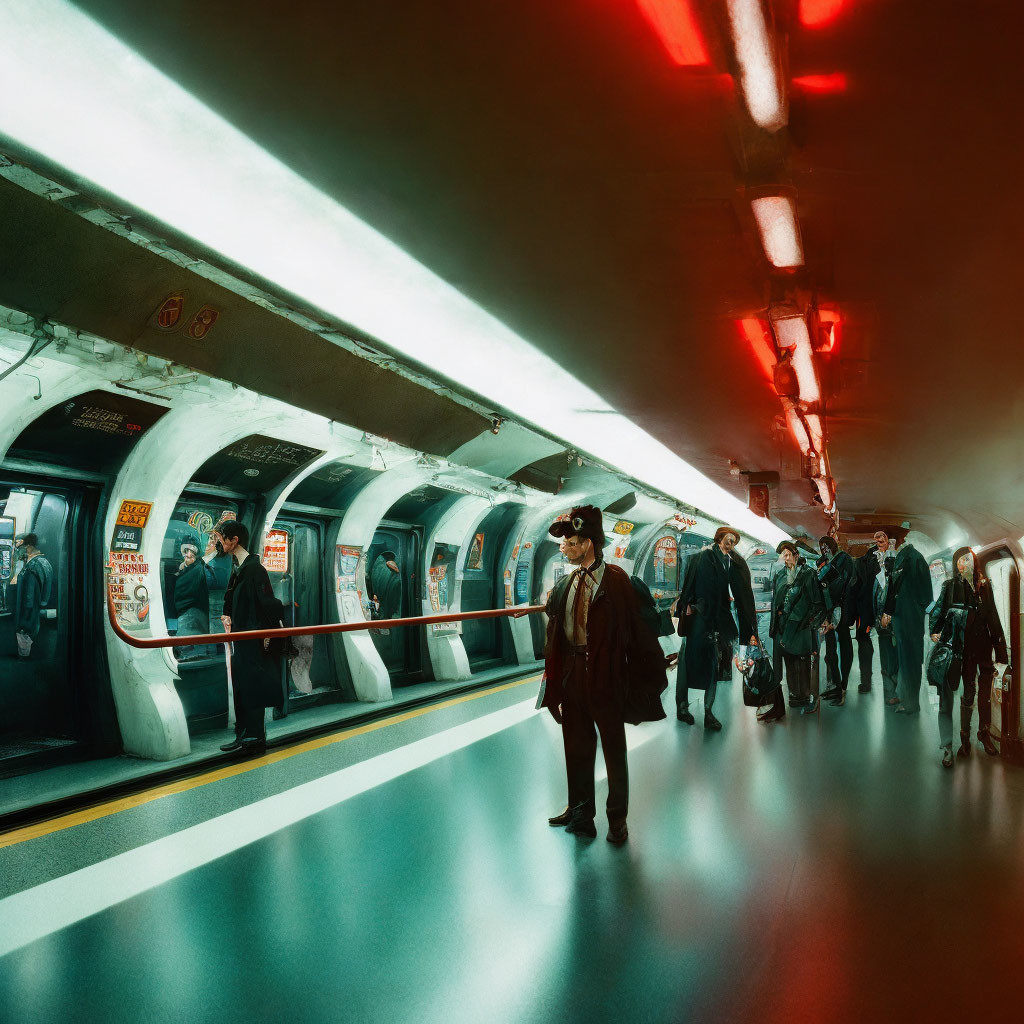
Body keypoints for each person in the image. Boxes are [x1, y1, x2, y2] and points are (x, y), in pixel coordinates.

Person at [538, 505, 667, 844]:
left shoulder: (618, 581)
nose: (563, 548)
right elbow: (557, 636)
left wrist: (644, 681)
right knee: (576, 745)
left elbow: (637, 634)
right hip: (572, 678)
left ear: (588, 543)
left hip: (606, 676)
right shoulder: (564, 585)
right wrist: (554, 683)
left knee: (613, 749)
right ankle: (581, 812)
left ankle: (617, 819)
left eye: (569, 542)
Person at [212, 521, 286, 755]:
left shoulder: (254, 569)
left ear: (234, 541)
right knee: (242, 686)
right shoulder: (239, 568)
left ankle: (254, 736)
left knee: (251, 687)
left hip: (254, 639)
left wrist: (267, 633)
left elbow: (269, 604)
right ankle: (243, 733)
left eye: (222, 538)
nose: (219, 543)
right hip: (242, 638)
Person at [674, 527, 757, 731]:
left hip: (714, 622)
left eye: (734, 543)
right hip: (697, 621)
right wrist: (688, 606)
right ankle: (682, 708)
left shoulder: (731, 562)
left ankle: (709, 712)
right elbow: (689, 586)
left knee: (712, 666)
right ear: (719, 539)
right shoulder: (702, 558)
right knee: (686, 664)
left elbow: (735, 592)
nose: (731, 545)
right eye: (729, 541)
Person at [930, 548, 1008, 766]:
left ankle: (984, 734)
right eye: (960, 561)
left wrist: (1000, 649)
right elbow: (938, 612)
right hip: (963, 649)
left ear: (974, 562)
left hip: (984, 648)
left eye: (968, 559)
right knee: (969, 693)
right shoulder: (950, 587)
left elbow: (993, 616)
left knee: (985, 694)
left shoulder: (985, 586)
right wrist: (934, 631)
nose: (965, 564)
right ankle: (965, 738)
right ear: (955, 565)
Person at [769, 541, 825, 714]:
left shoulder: (808, 575)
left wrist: (809, 622)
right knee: (789, 661)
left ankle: (806, 695)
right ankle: (794, 695)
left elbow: (816, 602)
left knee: (802, 661)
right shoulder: (779, 575)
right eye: (783, 556)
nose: (785, 559)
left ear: (796, 555)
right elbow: (775, 602)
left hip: (800, 626)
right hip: (783, 626)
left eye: (787, 555)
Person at [882, 534, 932, 715]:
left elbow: (897, 591)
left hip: (906, 619)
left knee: (908, 661)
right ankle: (906, 697)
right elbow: (926, 596)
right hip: (908, 619)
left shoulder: (908, 560)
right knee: (908, 660)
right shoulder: (913, 559)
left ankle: (911, 703)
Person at [816, 535, 856, 705]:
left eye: (826, 546)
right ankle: (836, 686)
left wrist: (843, 613)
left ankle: (843, 687)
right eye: (822, 547)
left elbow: (847, 586)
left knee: (843, 648)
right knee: (831, 652)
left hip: (841, 610)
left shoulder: (843, 559)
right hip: (830, 611)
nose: (824, 550)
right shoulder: (827, 562)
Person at [852, 530, 890, 693]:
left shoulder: (895, 559)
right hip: (867, 609)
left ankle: (890, 686)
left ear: (888, 540)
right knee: (865, 644)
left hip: (887, 609)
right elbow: (858, 587)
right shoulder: (864, 561)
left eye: (883, 538)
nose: (880, 540)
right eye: (877, 538)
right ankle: (866, 681)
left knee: (887, 644)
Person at [10, 532, 53, 659]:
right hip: (39, 608)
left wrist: (23, 620)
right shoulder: (45, 562)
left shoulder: (32, 567)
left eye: (20, 549)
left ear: (28, 546)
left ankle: (23, 657)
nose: (19, 553)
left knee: (24, 638)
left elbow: (28, 596)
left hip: (29, 613)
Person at [172, 537, 211, 659]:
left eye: (192, 551)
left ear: (196, 553)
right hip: (191, 614)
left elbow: (186, 594)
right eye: (185, 550)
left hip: (191, 614)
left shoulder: (198, 570)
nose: (188, 554)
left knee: (190, 652)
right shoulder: (189, 568)